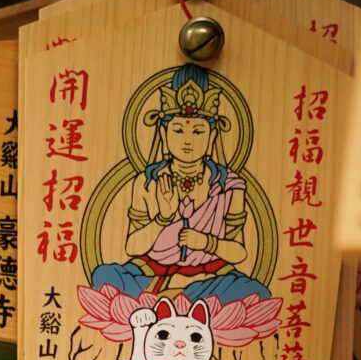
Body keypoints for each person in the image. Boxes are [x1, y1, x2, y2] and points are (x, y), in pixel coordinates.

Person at [89, 67, 268, 314]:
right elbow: (132, 247)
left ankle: (170, 301)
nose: (188, 140)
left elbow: (238, 252)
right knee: (105, 276)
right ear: (163, 133)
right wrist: (163, 219)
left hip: (209, 273)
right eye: (178, 130)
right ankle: (184, 301)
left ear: (212, 136)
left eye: (198, 131)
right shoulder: (146, 182)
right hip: (152, 272)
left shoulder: (229, 185)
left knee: (257, 293)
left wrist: (206, 242)